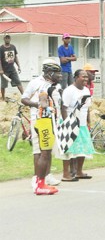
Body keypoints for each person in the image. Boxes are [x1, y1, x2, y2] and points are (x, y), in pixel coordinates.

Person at [21, 59, 63, 195]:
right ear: (50, 73)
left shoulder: (53, 86)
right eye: (57, 73)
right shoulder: (40, 85)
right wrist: (40, 105)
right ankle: (38, 181)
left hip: (50, 121)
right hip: (41, 121)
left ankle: (44, 179)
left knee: (47, 151)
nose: (60, 76)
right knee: (40, 152)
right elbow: (34, 100)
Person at [60, 69, 94, 181]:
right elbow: (63, 108)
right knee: (68, 148)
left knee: (82, 147)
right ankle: (66, 174)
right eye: (83, 76)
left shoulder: (86, 91)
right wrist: (67, 124)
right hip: (71, 122)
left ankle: (79, 172)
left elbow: (87, 107)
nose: (85, 79)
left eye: (86, 77)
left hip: (82, 124)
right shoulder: (69, 90)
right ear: (75, 77)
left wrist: (88, 121)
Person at [0, 34, 23, 100]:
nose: (7, 39)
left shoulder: (13, 47)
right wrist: (1, 69)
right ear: (4, 39)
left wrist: (18, 66)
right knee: (3, 85)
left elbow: (15, 57)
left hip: (12, 69)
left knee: (18, 82)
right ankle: (3, 98)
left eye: (8, 38)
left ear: (10, 39)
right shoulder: (1, 48)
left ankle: (24, 96)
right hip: (4, 70)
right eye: (6, 38)